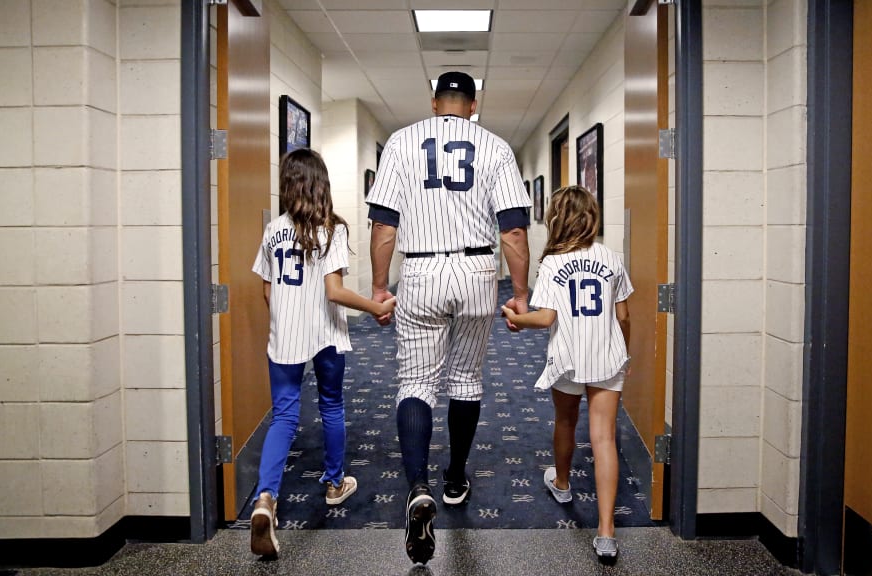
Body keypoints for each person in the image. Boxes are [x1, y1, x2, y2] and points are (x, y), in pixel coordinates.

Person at [366, 71, 532, 565]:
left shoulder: (401, 142)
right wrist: (521, 294)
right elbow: (514, 231)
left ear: (435, 102)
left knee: (416, 381)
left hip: (420, 270)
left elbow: (384, 225)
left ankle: (418, 486)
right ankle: (455, 477)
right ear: (473, 105)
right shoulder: (496, 147)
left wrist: (379, 287)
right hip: (478, 271)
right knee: (466, 379)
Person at [249, 148, 397, 557]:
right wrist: (376, 307)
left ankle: (265, 498)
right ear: (321, 185)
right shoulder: (331, 230)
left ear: (287, 185)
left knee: (284, 415)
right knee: (331, 404)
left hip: (284, 336)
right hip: (326, 333)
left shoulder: (273, 229)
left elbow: (267, 290)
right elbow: (334, 291)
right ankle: (334, 484)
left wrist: (286, 316)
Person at [500, 185, 632, 564]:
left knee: (565, 421)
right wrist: (623, 352)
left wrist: (515, 318)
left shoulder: (554, 263)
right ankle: (606, 532)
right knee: (604, 438)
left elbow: (545, 318)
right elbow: (624, 316)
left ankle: (561, 482)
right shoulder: (611, 258)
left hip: (568, 357)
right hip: (606, 358)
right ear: (591, 217)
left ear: (556, 219)